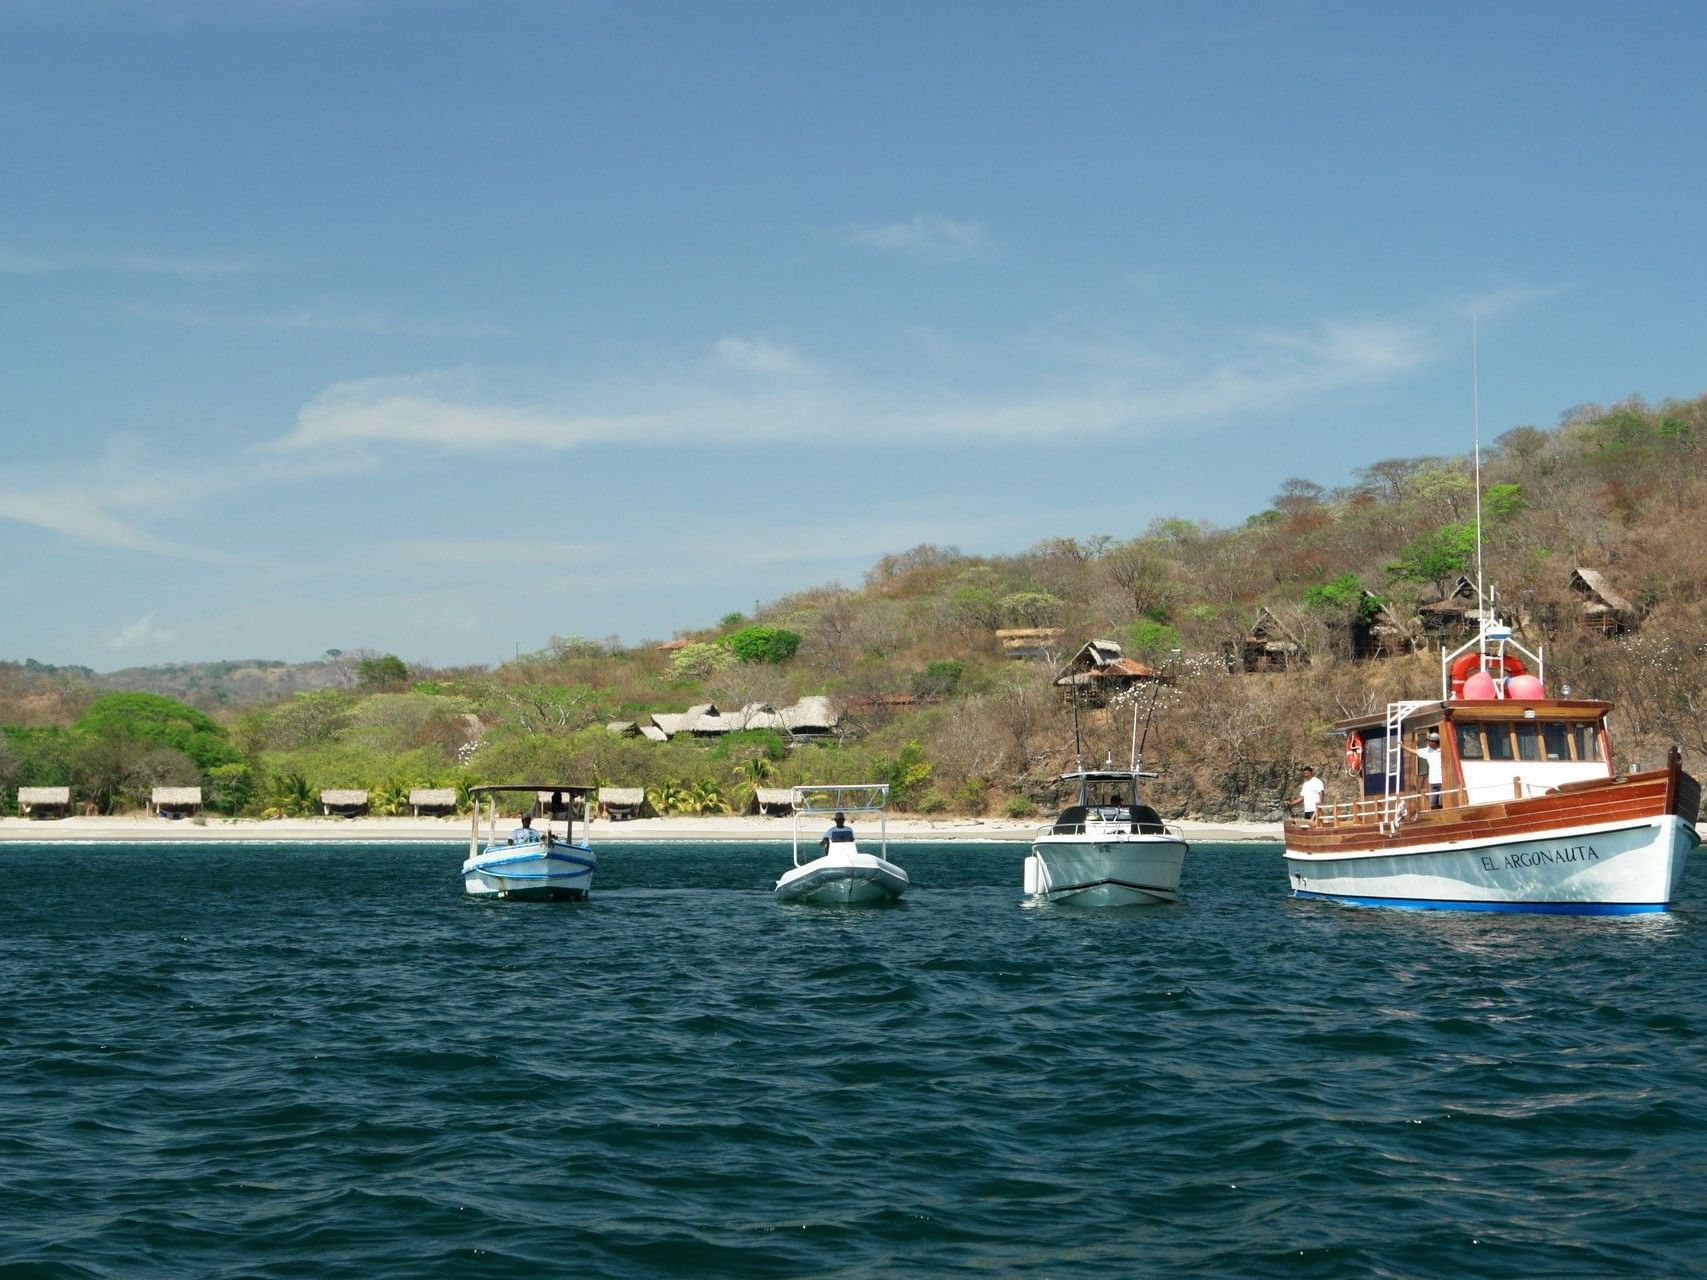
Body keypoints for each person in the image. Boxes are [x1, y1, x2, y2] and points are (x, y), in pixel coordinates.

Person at [1404, 730, 1445, 809]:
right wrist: (1403, 747)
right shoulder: (1427, 751)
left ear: (1434, 742)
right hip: (1433, 782)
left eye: (1429, 741)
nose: (1428, 743)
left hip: (1444, 781)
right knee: (1433, 805)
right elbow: (1415, 752)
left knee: (1444, 803)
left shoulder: (1443, 750)